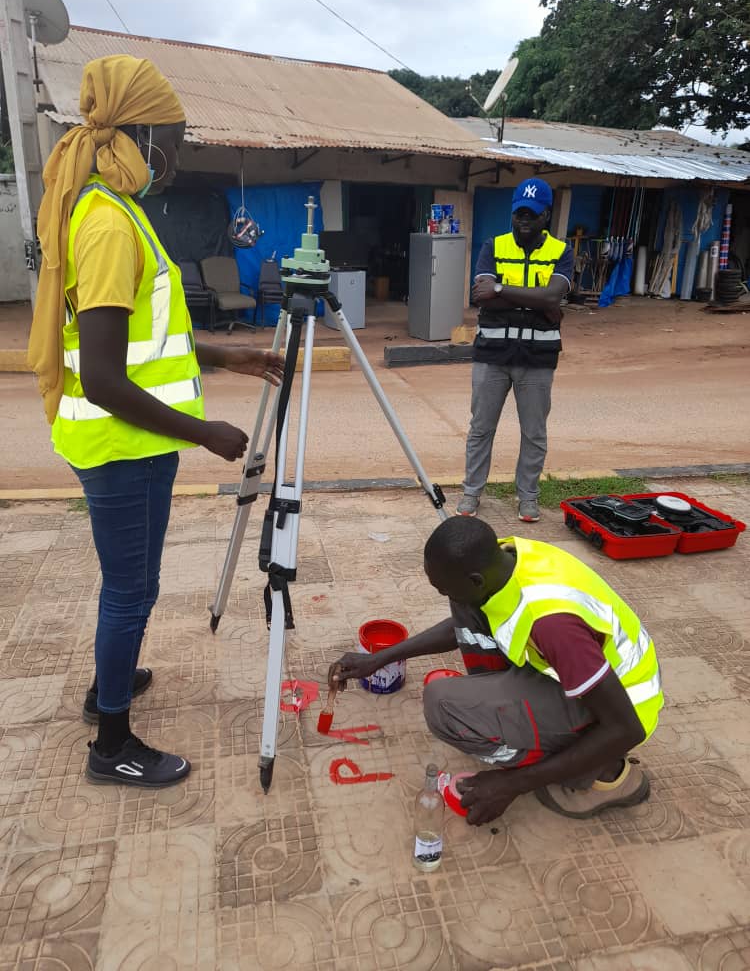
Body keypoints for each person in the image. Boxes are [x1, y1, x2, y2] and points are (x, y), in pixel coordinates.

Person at [27, 55, 284, 788]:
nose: (178, 153)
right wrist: (204, 431)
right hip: (122, 445)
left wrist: (224, 357)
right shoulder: (108, 222)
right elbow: (107, 377)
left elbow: (140, 340)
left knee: (126, 584)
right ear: (140, 132)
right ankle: (112, 745)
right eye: (173, 136)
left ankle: (107, 685)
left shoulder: (116, 207)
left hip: (121, 441)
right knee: (132, 590)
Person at [328, 516, 662, 826]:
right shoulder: (504, 557)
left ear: (476, 579)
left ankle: (605, 774)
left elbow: (626, 728)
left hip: (622, 710)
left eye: (442, 587)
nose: (441, 593)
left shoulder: (553, 625)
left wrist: (512, 783)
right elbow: (462, 622)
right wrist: (381, 658)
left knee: (442, 704)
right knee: (465, 605)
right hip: (583, 677)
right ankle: (523, 725)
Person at [458, 178, 574, 522]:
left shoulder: (561, 252)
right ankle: (471, 493)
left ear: (546, 216)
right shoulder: (493, 246)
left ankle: (528, 498)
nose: (524, 220)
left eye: (532, 214)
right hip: (492, 354)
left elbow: (553, 298)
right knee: (481, 428)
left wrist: (502, 289)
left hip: (538, 359)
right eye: (519, 213)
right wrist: (537, 302)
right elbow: (481, 295)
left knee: (534, 433)